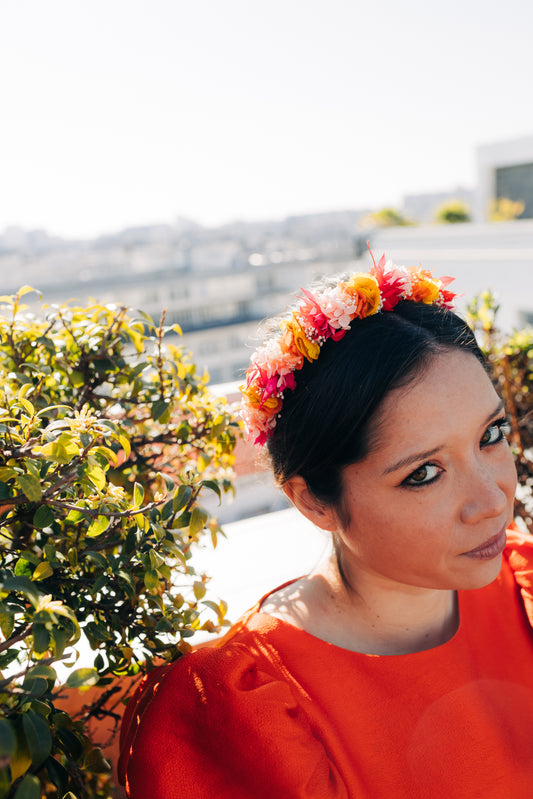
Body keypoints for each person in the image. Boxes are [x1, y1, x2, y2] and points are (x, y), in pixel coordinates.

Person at [119, 254, 533, 798]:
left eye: (491, 435)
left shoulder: (524, 585)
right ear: (314, 501)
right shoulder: (251, 712)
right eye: (423, 473)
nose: (492, 500)